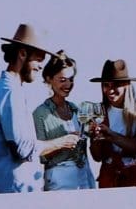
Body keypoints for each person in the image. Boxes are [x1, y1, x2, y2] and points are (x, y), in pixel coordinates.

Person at [0, 24, 47, 194]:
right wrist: (60, 143)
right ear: (22, 54)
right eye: (38, 59)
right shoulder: (11, 91)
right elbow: (23, 149)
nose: (41, 66)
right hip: (15, 191)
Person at [32, 52, 97, 191]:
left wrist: (93, 132)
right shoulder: (40, 113)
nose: (68, 84)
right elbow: (40, 155)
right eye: (62, 80)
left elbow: (87, 145)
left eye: (71, 79)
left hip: (84, 177)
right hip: (59, 181)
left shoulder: (76, 109)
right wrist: (63, 143)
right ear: (49, 79)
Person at [89, 58, 136, 189]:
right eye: (106, 85)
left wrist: (112, 136)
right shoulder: (97, 112)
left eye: (115, 85)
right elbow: (97, 156)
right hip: (108, 180)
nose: (110, 91)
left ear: (127, 85)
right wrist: (96, 139)